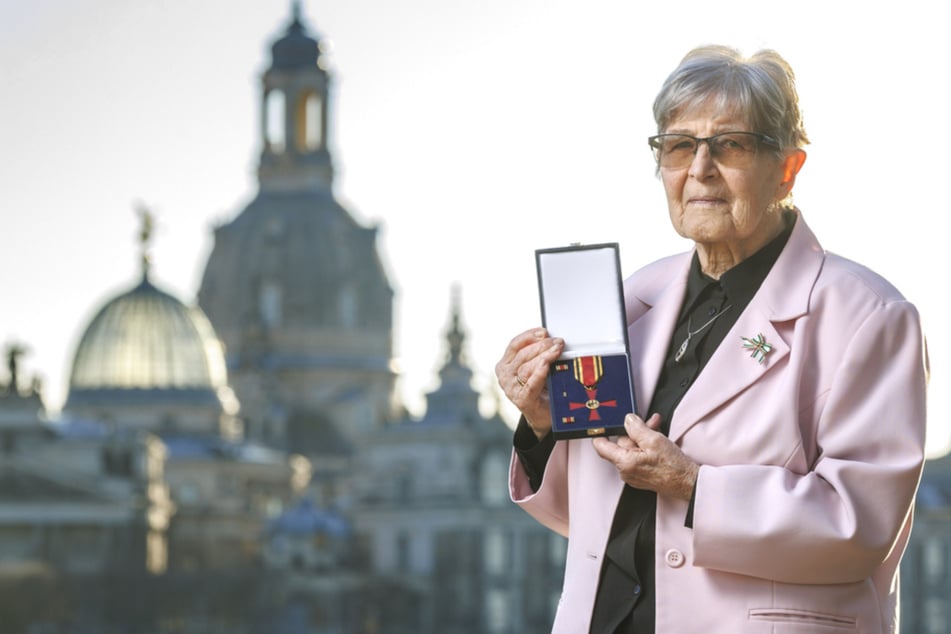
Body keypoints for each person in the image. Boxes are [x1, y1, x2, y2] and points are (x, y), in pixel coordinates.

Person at [496, 45, 928, 634]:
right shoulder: (630, 296)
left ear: (788, 167)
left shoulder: (869, 315)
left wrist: (693, 485)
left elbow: (861, 527)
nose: (699, 169)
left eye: (730, 144)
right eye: (679, 146)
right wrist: (545, 425)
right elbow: (593, 519)